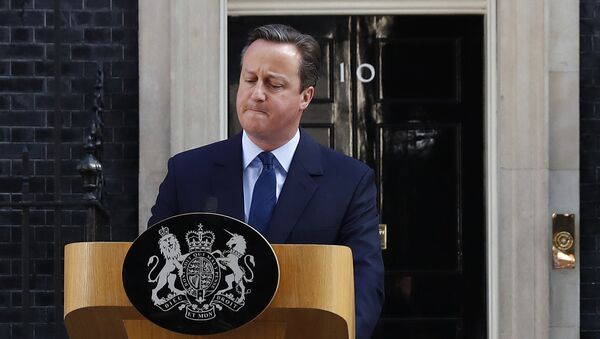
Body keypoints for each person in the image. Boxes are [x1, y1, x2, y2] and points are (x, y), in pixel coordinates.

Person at [148, 24, 384, 339]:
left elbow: (364, 285)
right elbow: (150, 268)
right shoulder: (186, 172)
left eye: (273, 84)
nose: (256, 93)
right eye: (249, 79)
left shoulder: (350, 181)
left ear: (305, 96)